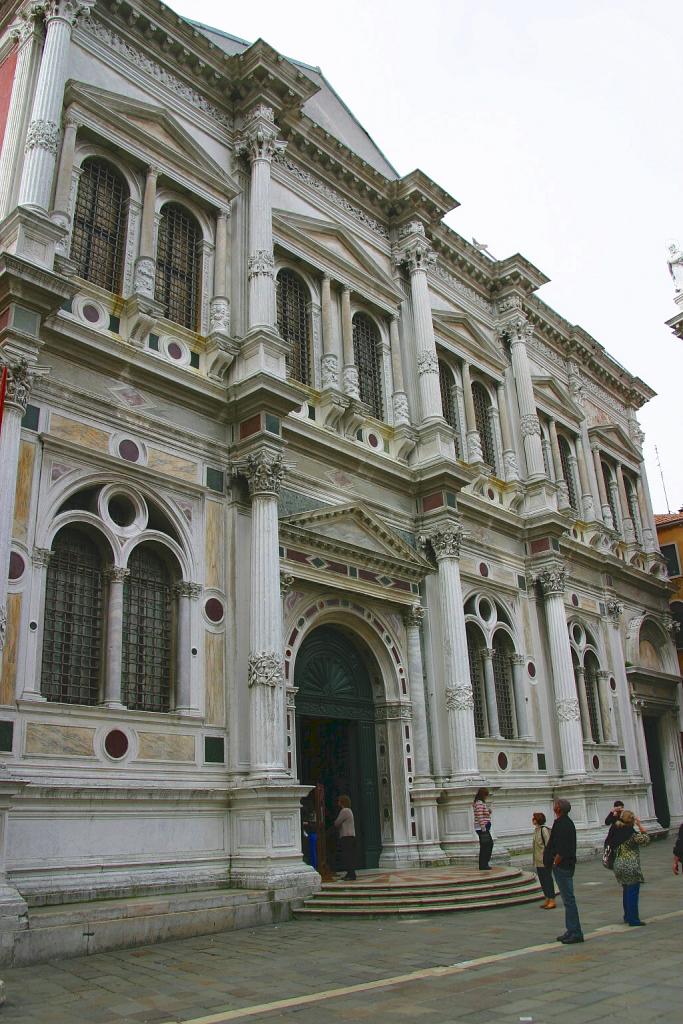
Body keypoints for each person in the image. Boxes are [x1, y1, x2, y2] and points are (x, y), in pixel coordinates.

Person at [544, 798, 583, 944]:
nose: (554, 807)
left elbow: (562, 848)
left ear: (559, 809)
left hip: (563, 866)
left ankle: (576, 932)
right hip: (565, 865)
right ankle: (571, 929)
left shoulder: (563, 825)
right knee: (567, 900)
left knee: (569, 900)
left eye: (555, 805)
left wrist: (555, 862)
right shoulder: (565, 822)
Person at [612, 810, 649, 926]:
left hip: (618, 864)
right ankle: (633, 919)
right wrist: (640, 825)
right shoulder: (631, 834)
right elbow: (646, 840)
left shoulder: (615, 830)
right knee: (632, 891)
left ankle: (627, 915)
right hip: (630, 865)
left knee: (626, 890)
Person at [531, 812, 556, 909]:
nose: (533, 820)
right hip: (538, 860)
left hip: (545, 859)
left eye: (534, 818)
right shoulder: (536, 830)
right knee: (542, 880)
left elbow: (548, 844)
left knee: (547, 879)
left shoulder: (543, 830)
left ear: (537, 820)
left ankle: (552, 899)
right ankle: (547, 897)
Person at [334, 795, 356, 881]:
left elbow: (337, 822)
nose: (338, 803)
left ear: (342, 802)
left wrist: (335, 822)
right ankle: (350, 873)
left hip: (346, 836)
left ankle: (351, 874)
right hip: (350, 836)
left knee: (347, 856)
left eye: (339, 801)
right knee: (349, 855)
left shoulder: (344, 811)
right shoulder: (349, 810)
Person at [473, 788, 493, 870]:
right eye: (486, 795)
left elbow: (481, 813)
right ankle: (484, 864)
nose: (486, 797)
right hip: (482, 827)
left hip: (482, 827)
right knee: (487, 845)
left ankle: (484, 863)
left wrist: (488, 811)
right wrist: (483, 828)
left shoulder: (480, 803)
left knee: (485, 845)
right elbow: (479, 816)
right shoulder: (479, 803)